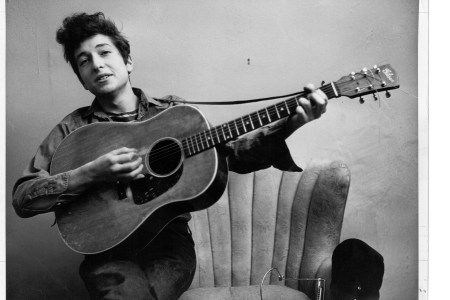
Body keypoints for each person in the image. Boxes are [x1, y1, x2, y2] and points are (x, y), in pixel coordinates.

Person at [12, 12, 328, 300]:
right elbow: (23, 198)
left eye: (104, 52)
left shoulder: (174, 114)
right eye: (84, 61)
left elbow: (233, 154)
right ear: (81, 78)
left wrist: (290, 125)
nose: (96, 64)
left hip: (169, 248)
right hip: (107, 253)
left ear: (128, 61)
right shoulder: (73, 128)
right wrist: (92, 172)